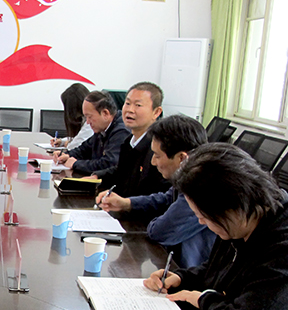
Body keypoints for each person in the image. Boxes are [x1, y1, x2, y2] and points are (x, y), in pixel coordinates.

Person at [143, 143, 288, 310]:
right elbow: (219, 269)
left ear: (232, 206)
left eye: (204, 216)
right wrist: (182, 278)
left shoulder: (281, 248)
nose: (201, 222)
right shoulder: (242, 221)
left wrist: (204, 300)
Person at [97, 115, 216, 267]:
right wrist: (127, 203)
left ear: (182, 158)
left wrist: (157, 220)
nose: (153, 162)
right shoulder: (192, 174)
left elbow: (161, 232)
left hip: (190, 271)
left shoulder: (201, 187)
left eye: (157, 155)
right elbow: (166, 199)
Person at [93, 82, 169, 197]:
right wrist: (97, 176)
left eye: (138, 105)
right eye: (127, 103)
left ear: (156, 112)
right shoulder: (129, 141)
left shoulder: (158, 148)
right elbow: (122, 170)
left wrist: (127, 203)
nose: (130, 110)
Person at [54, 90, 130, 174]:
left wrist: (76, 164)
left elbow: (108, 164)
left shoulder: (121, 132)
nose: (87, 122)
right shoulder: (102, 129)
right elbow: (84, 149)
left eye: (89, 117)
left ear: (105, 113)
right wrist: (67, 155)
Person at [51, 83, 93, 150]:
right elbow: (79, 137)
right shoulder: (84, 118)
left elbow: (76, 146)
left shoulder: (90, 122)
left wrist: (68, 144)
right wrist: (62, 141)